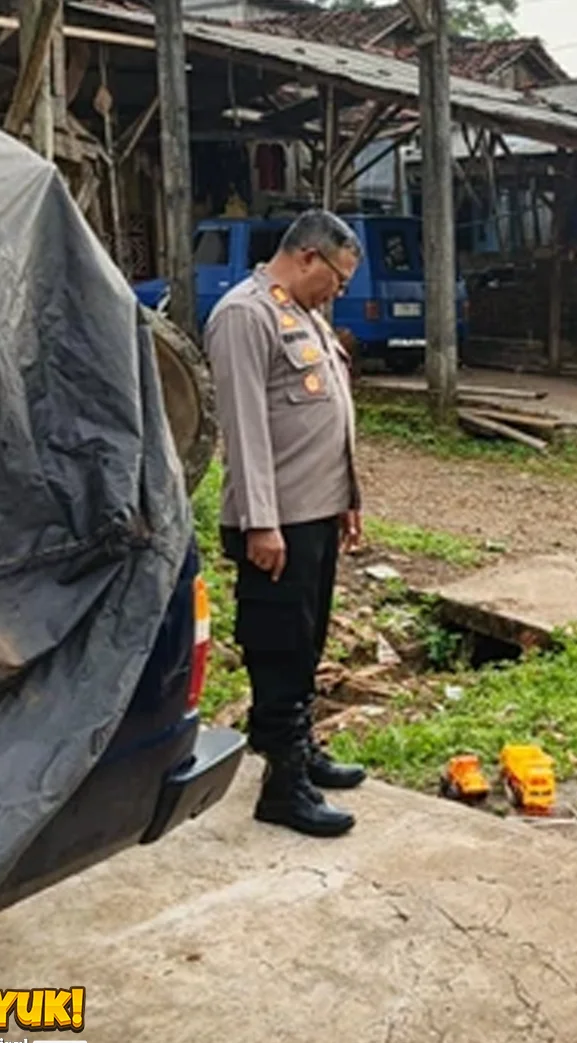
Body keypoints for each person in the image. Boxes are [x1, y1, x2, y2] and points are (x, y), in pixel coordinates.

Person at [207, 209, 368, 838]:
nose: (339, 292)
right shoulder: (246, 315)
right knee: (277, 647)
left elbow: (330, 416)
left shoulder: (303, 314)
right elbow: (245, 429)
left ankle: (300, 749)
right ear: (307, 258)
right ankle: (282, 786)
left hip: (315, 512)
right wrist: (260, 524)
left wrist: (347, 496)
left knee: (306, 643)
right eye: (339, 278)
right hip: (275, 525)